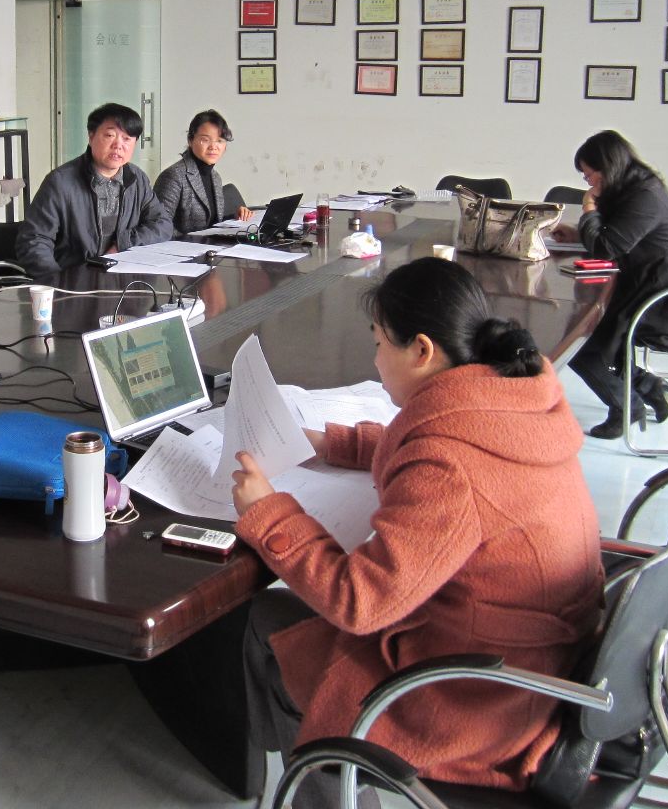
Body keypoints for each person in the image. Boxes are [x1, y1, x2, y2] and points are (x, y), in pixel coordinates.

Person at [231, 257, 602, 803]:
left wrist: (269, 512)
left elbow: (360, 601)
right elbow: (431, 442)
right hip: (540, 661)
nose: (375, 359)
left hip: (477, 697)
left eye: (380, 343)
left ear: (422, 350)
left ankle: (321, 763)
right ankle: (287, 759)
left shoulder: (448, 467)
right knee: (289, 626)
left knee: (269, 621)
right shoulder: (508, 400)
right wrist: (333, 443)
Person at [557, 130, 668, 439]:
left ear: (607, 167)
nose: (588, 182)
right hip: (648, 282)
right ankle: (649, 387)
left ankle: (628, 406)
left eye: (589, 175)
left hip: (665, 300)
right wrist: (581, 232)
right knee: (586, 335)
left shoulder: (644, 197)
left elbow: (606, 247)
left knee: (580, 343)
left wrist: (589, 209)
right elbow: (617, 236)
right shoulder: (636, 185)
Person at [15, 101, 172, 278]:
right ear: (91, 137)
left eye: (127, 139)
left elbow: (162, 224)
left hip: (123, 278)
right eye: (110, 135)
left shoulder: (136, 178)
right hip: (74, 280)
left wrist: (123, 243)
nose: (118, 145)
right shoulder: (60, 182)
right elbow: (34, 240)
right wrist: (56, 282)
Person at [153, 109, 255, 234]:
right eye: (205, 140)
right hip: (183, 245)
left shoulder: (215, 177)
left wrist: (235, 218)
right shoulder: (173, 176)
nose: (213, 147)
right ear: (190, 140)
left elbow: (211, 223)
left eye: (219, 141)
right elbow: (159, 227)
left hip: (209, 244)